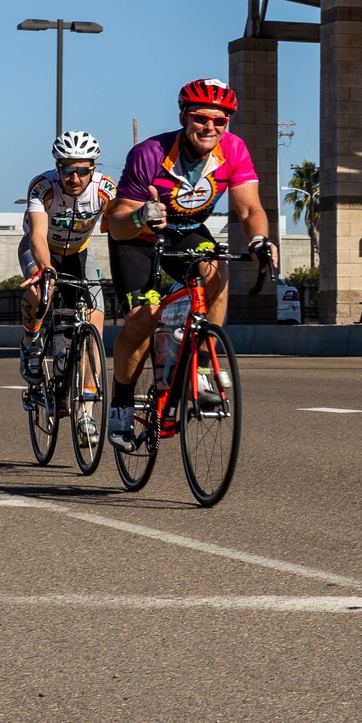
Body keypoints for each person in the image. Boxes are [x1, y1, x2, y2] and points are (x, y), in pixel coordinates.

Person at [104, 79, 273, 451]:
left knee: (216, 269)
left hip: (186, 231)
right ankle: (121, 401)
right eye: (200, 118)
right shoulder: (150, 153)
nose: (210, 127)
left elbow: (249, 208)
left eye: (221, 120)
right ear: (184, 116)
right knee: (144, 317)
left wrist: (260, 240)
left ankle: (200, 365)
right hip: (137, 239)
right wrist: (140, 218)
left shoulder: (233, 150)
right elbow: (117, 225)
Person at [19, 130, 116, 436]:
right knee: (39, 290)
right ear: (57, 166)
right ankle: (31, 344)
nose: (75, 178)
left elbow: (120, 229)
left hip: (79, 254)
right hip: (42, 250)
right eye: (67, 169)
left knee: (95, 323)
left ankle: (86, 410)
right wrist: (45, 269)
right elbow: (36, 233)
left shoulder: (105, 190)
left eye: (83, 170)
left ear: (94, 168)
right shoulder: (43, 187)